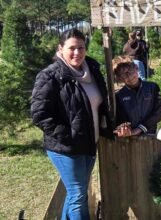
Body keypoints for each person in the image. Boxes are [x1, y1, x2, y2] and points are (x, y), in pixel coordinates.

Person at [30, 29, 113, 219]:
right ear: (61, 49)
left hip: (90, 143)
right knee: (78, 195)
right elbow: (39, 114)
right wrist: (69, 136)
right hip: (66, 147)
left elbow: (100, 103)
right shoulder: (50, 76)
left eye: (81, 47)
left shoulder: (92, 70)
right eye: (72, 48)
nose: (77, 52)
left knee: (77, 193)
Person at [112, 55, 161, 137]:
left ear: (136, 68)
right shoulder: (119, 96)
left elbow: (158, 113)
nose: (129, 76)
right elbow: (120, 120)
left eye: (130, 70)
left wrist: (139, 129)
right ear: (119, 78)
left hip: (151, 136)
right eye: (123, 74)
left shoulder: (153, 87)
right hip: (129, 138)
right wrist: (124, 129)